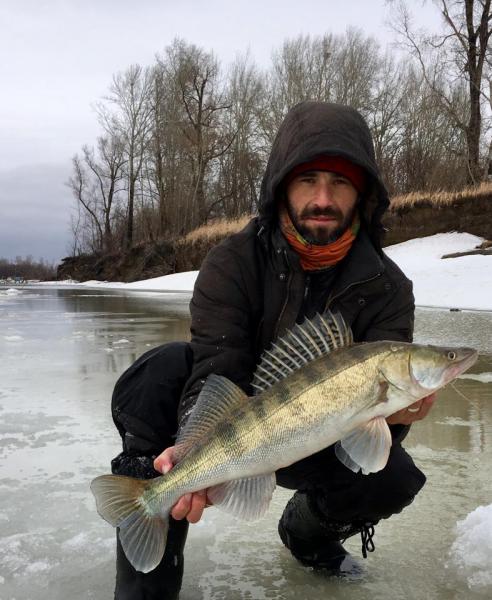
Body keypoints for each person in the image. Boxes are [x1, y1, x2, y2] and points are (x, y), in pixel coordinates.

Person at [110, 101, 435, 599]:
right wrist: (192, 455)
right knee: (160, 371)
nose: (323, 197)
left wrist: (401, 416)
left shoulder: (388, 287)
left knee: (392, 475)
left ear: (362, 194)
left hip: (323, 440)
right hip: (242, 432)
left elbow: (381, 427)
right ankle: (150, 557)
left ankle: (308, 534)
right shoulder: (232, 263)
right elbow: (217, 368)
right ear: (282, 186)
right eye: (308, 180)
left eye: (341, 182)